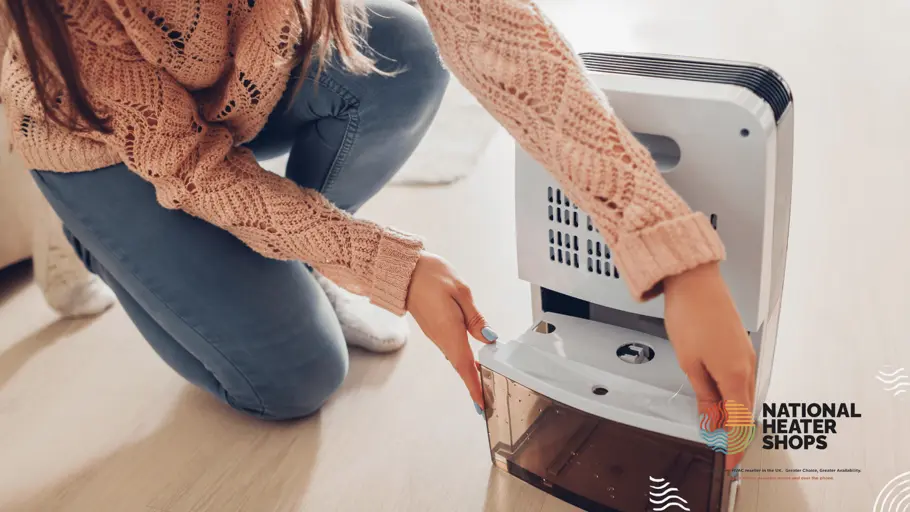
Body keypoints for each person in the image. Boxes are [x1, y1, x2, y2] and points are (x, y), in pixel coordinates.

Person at [1, 0, 755, 468]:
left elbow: (491, 27)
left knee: (410, 53)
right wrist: (388, 265)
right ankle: (96, 236)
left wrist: (667, 246)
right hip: (106, 142)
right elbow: (194, 169)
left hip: (241, 80)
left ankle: (281, 254)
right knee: (296, 380)